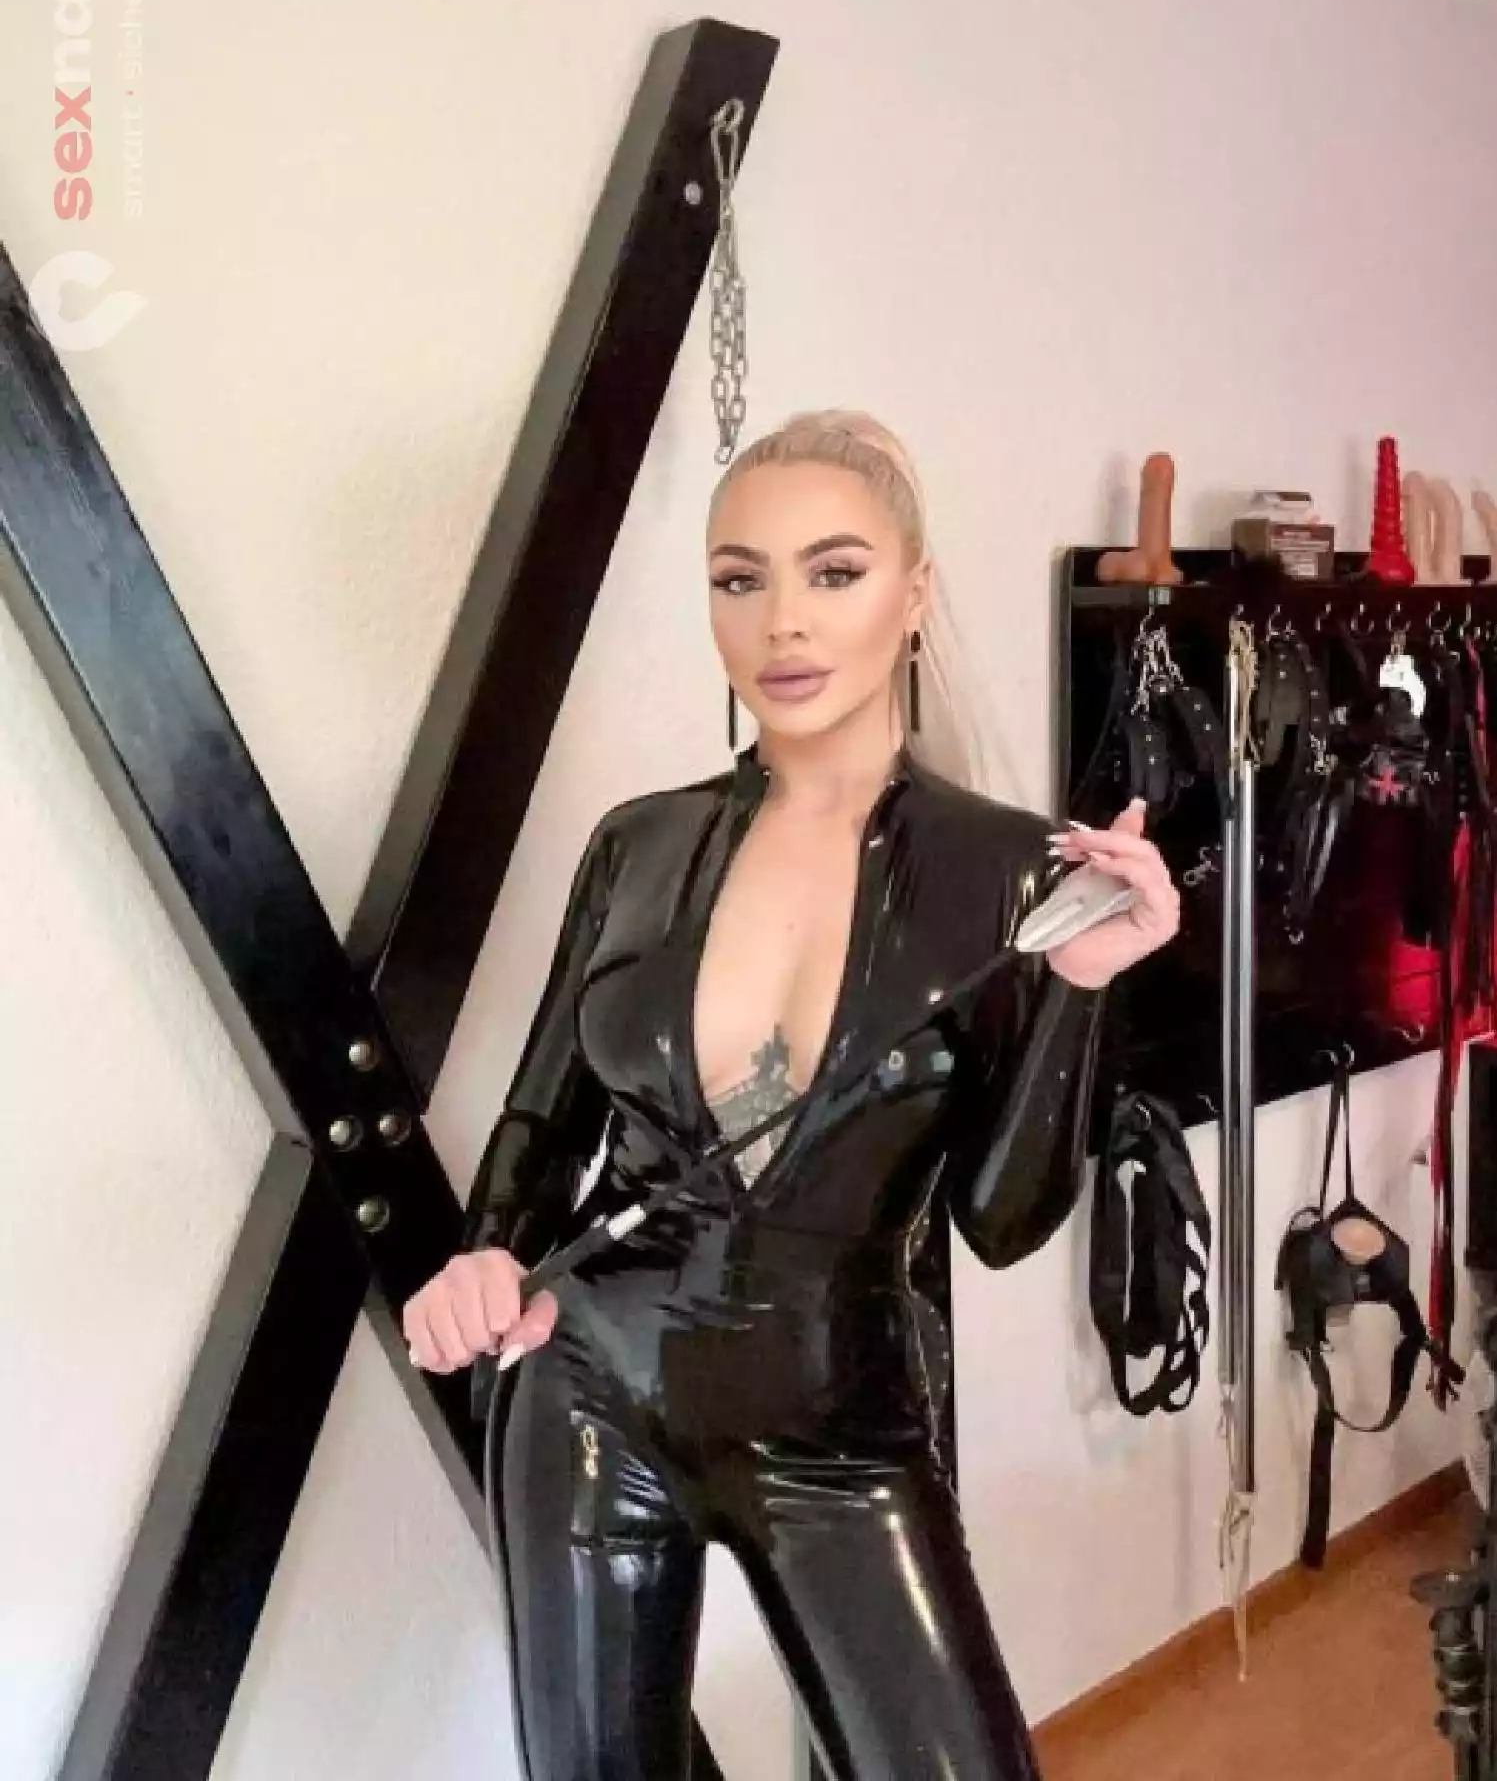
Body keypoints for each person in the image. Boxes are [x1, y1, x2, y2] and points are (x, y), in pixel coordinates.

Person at [403, 409, 1180, 1780]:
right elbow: (541, 1126)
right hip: (590, 1387)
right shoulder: (638, 846)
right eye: (738, 578)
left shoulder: (1007, 871)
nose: (784, 623)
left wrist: (1081, 988)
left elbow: (1001, 1220)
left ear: (914, 593)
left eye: (834, 571)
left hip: (840, 1426)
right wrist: (485, 1255)